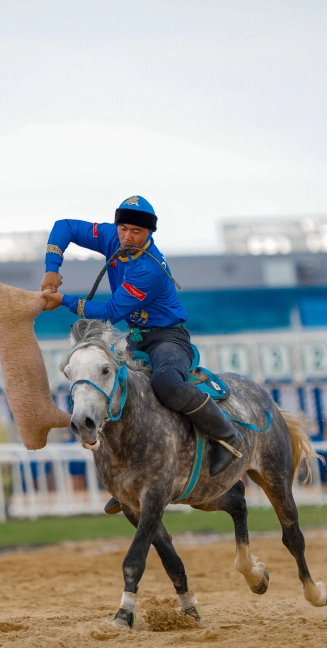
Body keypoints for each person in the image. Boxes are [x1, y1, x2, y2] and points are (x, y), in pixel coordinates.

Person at [39, 196, 243, 512]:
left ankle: (228, 437)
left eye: (136, 231)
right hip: (135, 338)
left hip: (169, 339)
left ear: (149, 233)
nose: (127, 237)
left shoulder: (149, 269)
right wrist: (52, 269)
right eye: (123, 229)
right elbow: (62, 227)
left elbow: (108, 312)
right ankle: (125, 481)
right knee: (116, 389)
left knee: (166, 384)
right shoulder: (111, 236)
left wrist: (63, 299)